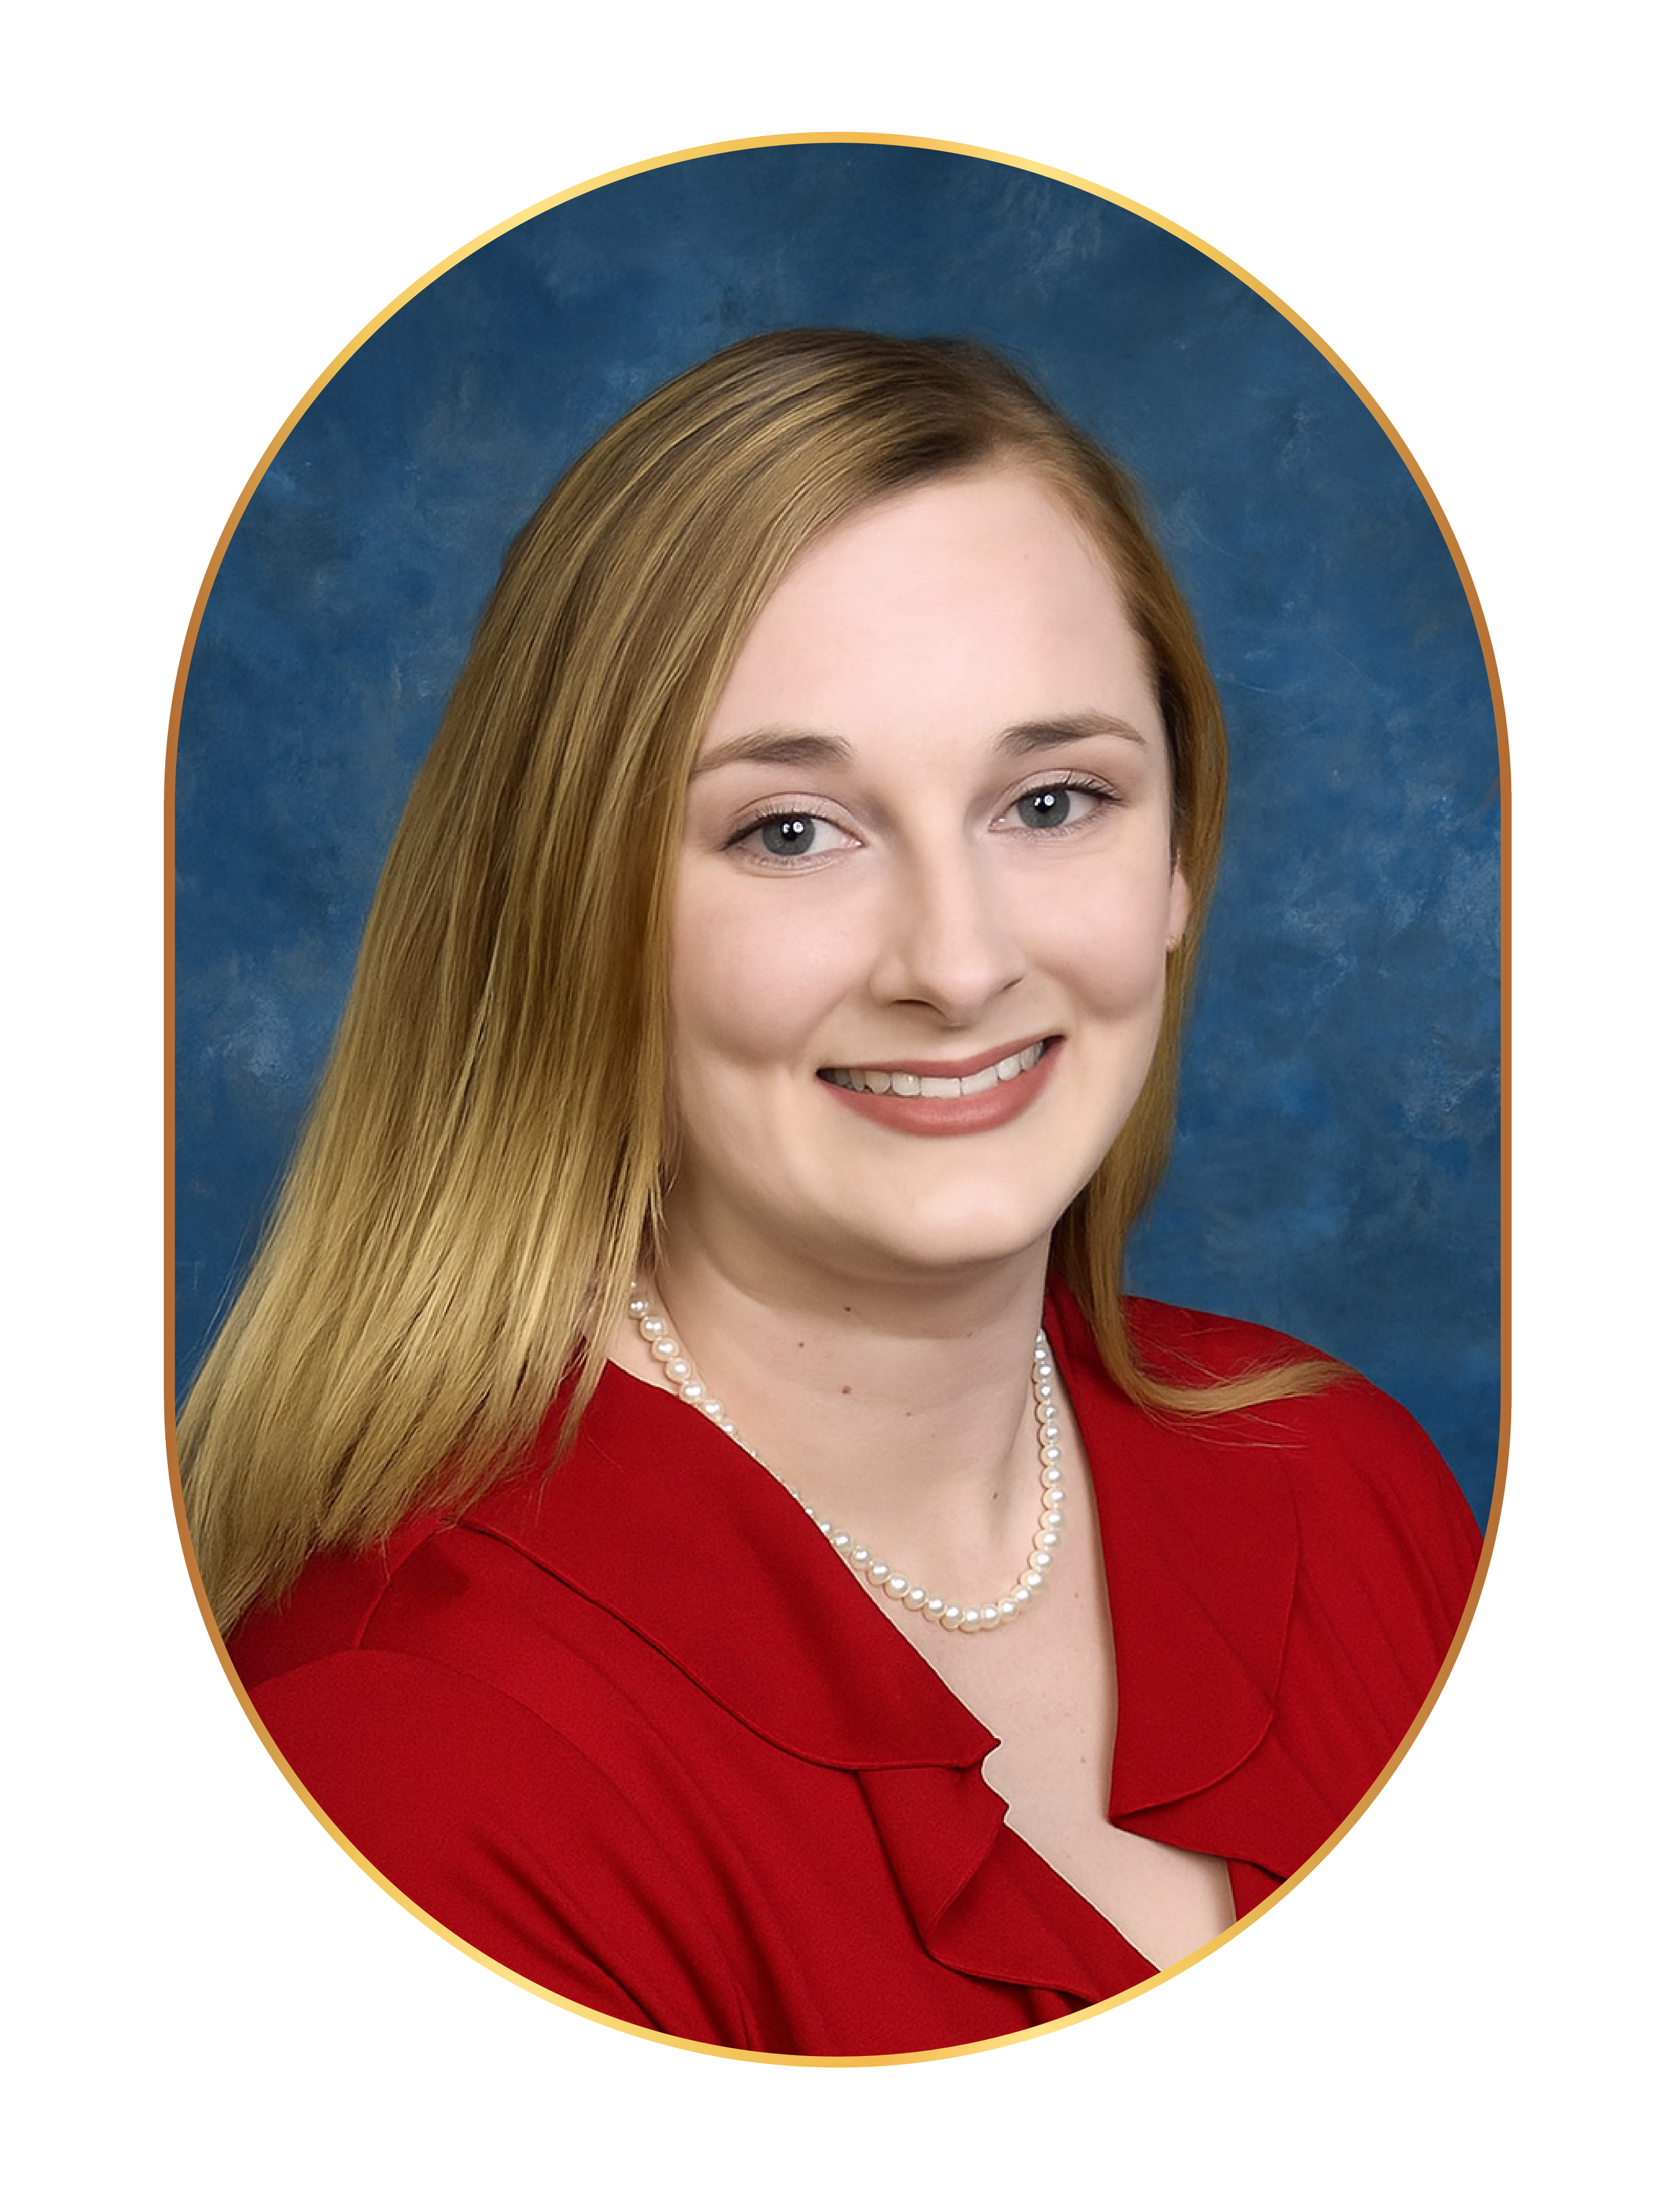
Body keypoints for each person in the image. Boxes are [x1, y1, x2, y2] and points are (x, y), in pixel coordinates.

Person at [179, 328, 1483, 2060]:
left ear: (1180, 854)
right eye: (790, 830)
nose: (958, 961)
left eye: (1051, 800)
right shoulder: (426, 1755)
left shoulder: (1348, 1487)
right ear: (572, 907)